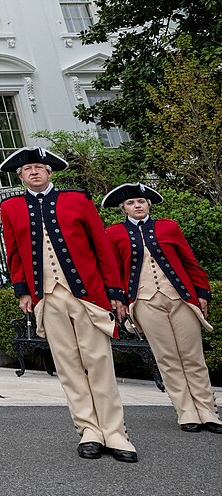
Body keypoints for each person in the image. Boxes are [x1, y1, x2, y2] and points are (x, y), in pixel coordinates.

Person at [0, 147, 137, 463]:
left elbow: (101, 246)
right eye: (27, 169)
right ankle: (89, 431)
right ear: (20, 176)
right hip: (46, 297)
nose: (34, 172)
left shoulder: (77, 200)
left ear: (49, 172)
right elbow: (15, 253)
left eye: (39, 167)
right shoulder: (11, 207)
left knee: (99, 362)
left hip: (86, 294)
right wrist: (23, 291)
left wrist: (114, 291)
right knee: (68, 367)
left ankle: (115, 433)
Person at [103, 182, 221, 433]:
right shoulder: (114, 233)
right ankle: (186, 410)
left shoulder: (168, 227)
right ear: (123, 208)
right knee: (167, 357)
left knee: (192, 356)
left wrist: (201, 293)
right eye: (132, 203)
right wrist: (120, 300)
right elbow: (114, 269)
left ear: (148, 205)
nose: (138, 206)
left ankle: (208, 410)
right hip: (145, 302)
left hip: (180, 298)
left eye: (142, 202)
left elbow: (189, 260)